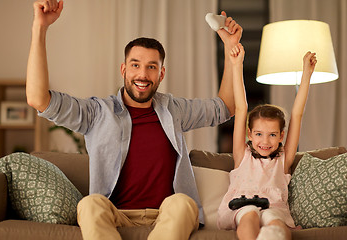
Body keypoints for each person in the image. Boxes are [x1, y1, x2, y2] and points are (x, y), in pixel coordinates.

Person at [26, 1, 242, 240]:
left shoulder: (174, 109)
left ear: (161, 74)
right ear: (124, 70)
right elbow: (38, 99)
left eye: (151, 67)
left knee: (183, 203)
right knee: (89, 205)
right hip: (116, 214)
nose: (142, 74)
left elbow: (225, 107)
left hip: (167, 214)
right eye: (135, 65)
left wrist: (229, 46)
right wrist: (40, 27)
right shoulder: (97, 112)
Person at [217, 43, 316, 240]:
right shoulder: (241, 155)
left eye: (272, 135)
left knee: (275, 221)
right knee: (250, 214)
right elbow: (241, 107)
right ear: (249, 134)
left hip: (274, 208)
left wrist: (307, 74)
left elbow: (297, 115)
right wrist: (237, 65)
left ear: (281, 136)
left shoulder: (283, 159)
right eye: (259, 134)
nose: (265, 141)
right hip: (242, 207)